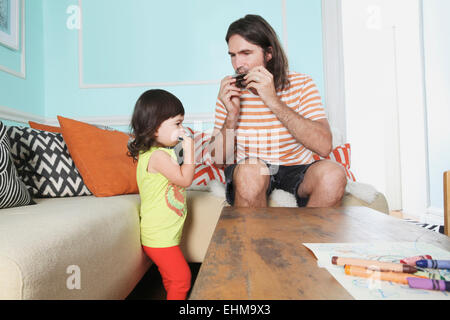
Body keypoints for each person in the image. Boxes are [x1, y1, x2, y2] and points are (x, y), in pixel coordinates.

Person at [210, 14, 347, 208]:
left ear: (268, 53)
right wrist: (231, 116)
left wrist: (272, 100)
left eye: (246, 53)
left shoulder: (302, 84)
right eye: (233, 55)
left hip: (297, 169)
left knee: (333, 174)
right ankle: (258, 240)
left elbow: (324, 146)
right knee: (252, 171)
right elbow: (217, 160)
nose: (237, 64)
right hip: (251, 168)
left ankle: (304, 239)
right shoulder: (229, 91)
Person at [128, 89, 195, 300]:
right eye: (177, 123)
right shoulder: (157, 156)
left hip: (164, 235)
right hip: (159, 236)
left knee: (171, 279)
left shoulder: (159, 153)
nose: (182, 129)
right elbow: (185, 179)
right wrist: (191, 150)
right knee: (181, 278)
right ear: (155, 127)